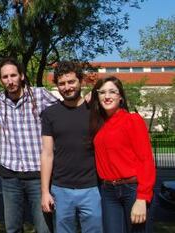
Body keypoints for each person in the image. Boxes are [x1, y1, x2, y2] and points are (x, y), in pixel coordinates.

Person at [0, 58, 56, 233]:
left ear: (21, 76)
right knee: (12, 228)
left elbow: (63, 111)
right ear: (1, 80)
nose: (10, 80)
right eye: (5, 77)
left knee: (44, 228)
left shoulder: (39, 95)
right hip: (10, 176)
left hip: (38, 175)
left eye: (13, 75)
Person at [40, 61, 102, 233]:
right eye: (62, 83)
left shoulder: (95, 110)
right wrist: (45, 192)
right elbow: (46, 154)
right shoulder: (50, 114)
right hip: (61, 189)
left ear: (80, 81)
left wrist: (95, 94)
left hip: (91, 188)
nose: (67, 87)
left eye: (71, 81)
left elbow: (111, 87)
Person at [89, 76, 156, 233]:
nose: (107, 96)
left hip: (132, 189)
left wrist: (142, 197)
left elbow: (145, 159)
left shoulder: (132, 120)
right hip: (108, 192)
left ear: (120, 97)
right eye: (102, 92)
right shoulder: (98, 125)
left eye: (112, 92)